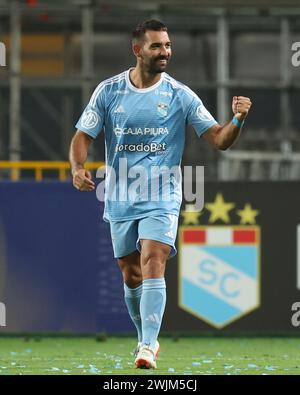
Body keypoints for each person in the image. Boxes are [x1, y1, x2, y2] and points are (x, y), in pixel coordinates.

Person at [69, 19, 252, 369]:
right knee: (130, 273)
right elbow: (82, 136)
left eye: (167, 45)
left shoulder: (180, 95)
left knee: (153, 259)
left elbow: (219, 139)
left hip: (163, 196)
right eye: (157, 46)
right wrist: (78, 168)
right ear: (138, 50)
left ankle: (148, 347)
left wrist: (238, 120)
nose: (165, 51)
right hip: (120, 195)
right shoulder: (108, 92)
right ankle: (144, 337)